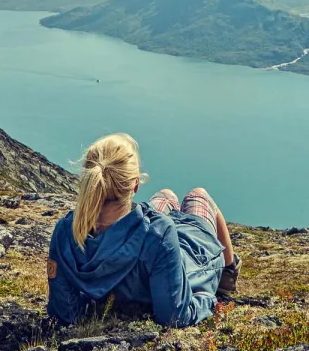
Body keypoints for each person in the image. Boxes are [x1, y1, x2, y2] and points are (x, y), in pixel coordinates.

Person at [46, 133, 240, 327]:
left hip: (147, 239)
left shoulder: (65, 230)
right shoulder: (158, 234)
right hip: (186, 260)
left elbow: (65, 311)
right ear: (135, 185)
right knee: (198, 195)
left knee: (166, 195)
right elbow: (174, 315)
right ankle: (228, 276)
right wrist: (209, 300)